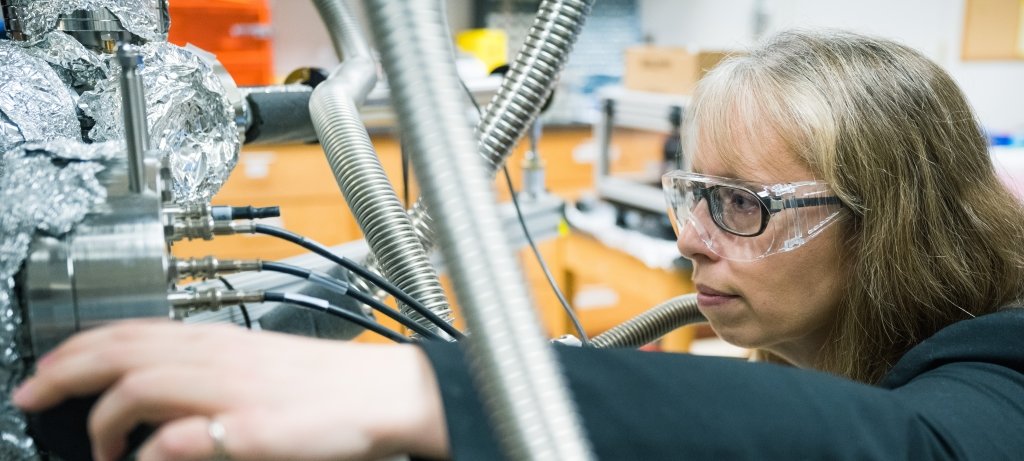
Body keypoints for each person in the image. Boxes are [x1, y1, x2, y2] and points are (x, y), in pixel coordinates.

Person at [11, 29, 1024, 460]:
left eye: (740, 205)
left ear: (891, 217)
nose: (687, 239)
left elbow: (917, 449)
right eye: (691, 191)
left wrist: (418, 390)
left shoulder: (1000, 367)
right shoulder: (811, 348)